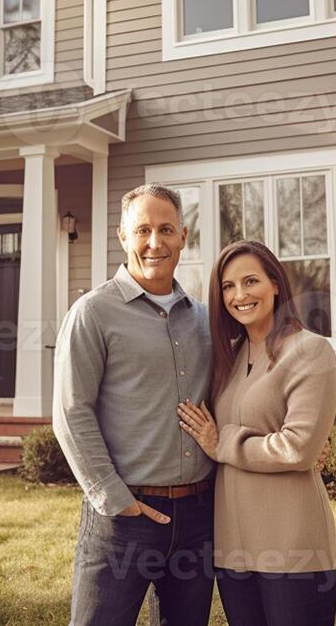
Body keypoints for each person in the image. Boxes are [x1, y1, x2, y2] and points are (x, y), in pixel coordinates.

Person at [53, 183, 216, 626]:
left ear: (183, 235)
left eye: (166, 229)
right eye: (142, 230)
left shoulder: (205, 319)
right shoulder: (93, 313)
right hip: (124, 518)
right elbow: (72, 412)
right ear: (122, 236)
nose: (155, 243)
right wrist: (114, 498)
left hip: (199, 516)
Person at [177, 239, 336, 626]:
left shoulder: (310, 351)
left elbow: (298, 448)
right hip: (233, 550)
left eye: (251, 281)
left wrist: (222, 443)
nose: (240, 295)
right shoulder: (227, 357)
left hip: (292, 546)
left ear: (275, 285)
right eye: (228, 287)